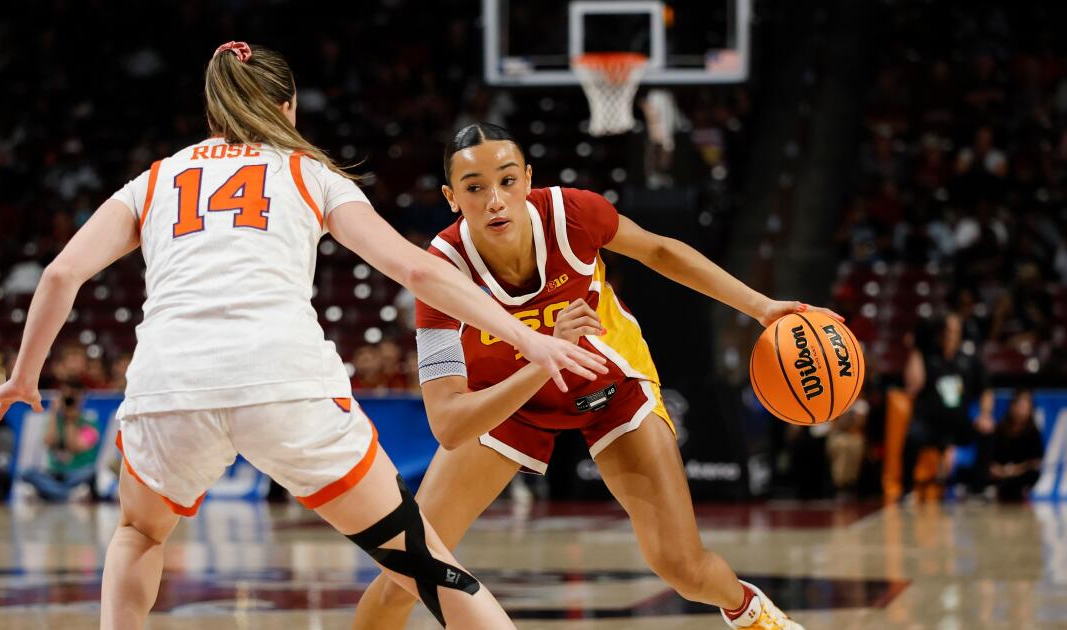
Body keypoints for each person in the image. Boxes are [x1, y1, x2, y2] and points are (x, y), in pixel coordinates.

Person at [0, 42, 606, 630]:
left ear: (214, 107)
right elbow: (415, 267)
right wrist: (530, 341)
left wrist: (25, 376)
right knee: (417, 558)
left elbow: (60, 274)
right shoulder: (310, 172)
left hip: (170, 387)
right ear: (287, 106)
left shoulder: (157, 178)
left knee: (138, 533)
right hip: (285, 382)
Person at [353, 123, 839, 630]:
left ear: (529, 180)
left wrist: (760, 307)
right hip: (508, 404)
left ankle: (751, 611)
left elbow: (659, 251)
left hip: (612, 386)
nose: (495, 200)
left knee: (681, 566)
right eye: (475, 188)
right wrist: (549, 356)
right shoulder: (439, 273)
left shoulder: (573, 214)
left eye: (508, 180)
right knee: (405, 573)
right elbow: (449, 425)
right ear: (453, 198)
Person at [903, 312, 993, 500]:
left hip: (958, 425)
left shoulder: (969, 359)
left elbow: (985, 389)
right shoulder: (927, 355)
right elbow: (913, 386)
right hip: (930, 424)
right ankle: (907, 490)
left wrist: (985, 414)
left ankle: (978, 488)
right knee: (912, 437)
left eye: (954, 330)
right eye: (946, 330)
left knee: (986, 432)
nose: (950, 334)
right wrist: (916, 350)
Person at [18, 381, 100, 502]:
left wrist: (71, 419)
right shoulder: (54, 420)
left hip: (76, 473)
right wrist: (53, 413)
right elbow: (49, 442)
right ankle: (68, 495)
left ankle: (50, 493)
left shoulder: (90, 423)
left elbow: (74, 447)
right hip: (54, 473)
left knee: (90, 473)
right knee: (26, 472)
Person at [983, 388, 1043, 501]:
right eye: (1019, 406)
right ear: (1012, 406)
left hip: (1021, 474)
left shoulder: (1033, 432)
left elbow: (1036, 461)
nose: (1021, 411)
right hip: (999, 474)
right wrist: (999, 470)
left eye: (1025, 407)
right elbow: (990, 456)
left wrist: (1013, 470)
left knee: (1032, 473)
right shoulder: (1000, 429)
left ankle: (1020, 492)